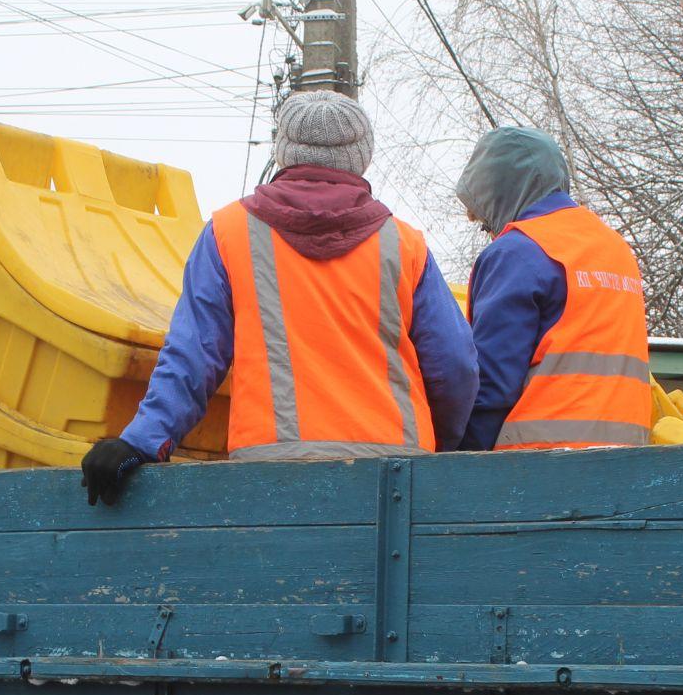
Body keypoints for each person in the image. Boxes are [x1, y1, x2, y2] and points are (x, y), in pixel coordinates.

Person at [80, 92, 478, 505]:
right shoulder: (404, 244)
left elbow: (193, 356)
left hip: (272, 470)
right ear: (361, 156)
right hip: (398, 471)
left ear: (285, 149)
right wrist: (441, 446)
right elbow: (455, 365)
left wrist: (142, 442)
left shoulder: (228, 233)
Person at [453, 127, 650, 452]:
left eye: (486, 221)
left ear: (499, 193)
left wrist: (454, 461)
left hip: (538, 470)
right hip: (625, 466)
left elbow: (492, 387)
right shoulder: (615, 249)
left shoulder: (519, 250)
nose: (490, 231)